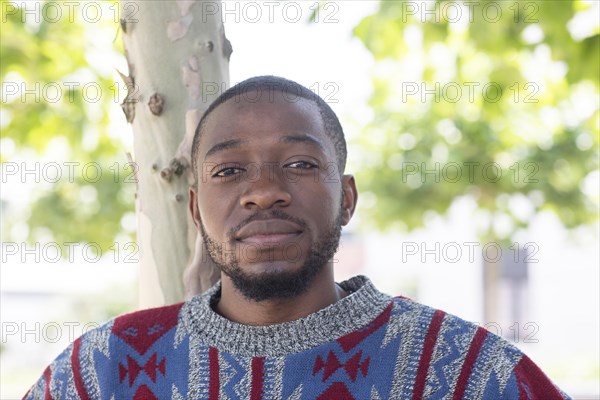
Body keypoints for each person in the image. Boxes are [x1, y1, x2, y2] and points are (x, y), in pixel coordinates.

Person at [24, 76, 570, 399]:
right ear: (195, 208)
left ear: (348, 198)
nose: (264, 192)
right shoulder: (105, 370)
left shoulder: (461, 371)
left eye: (300, 163)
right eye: (228, 171)